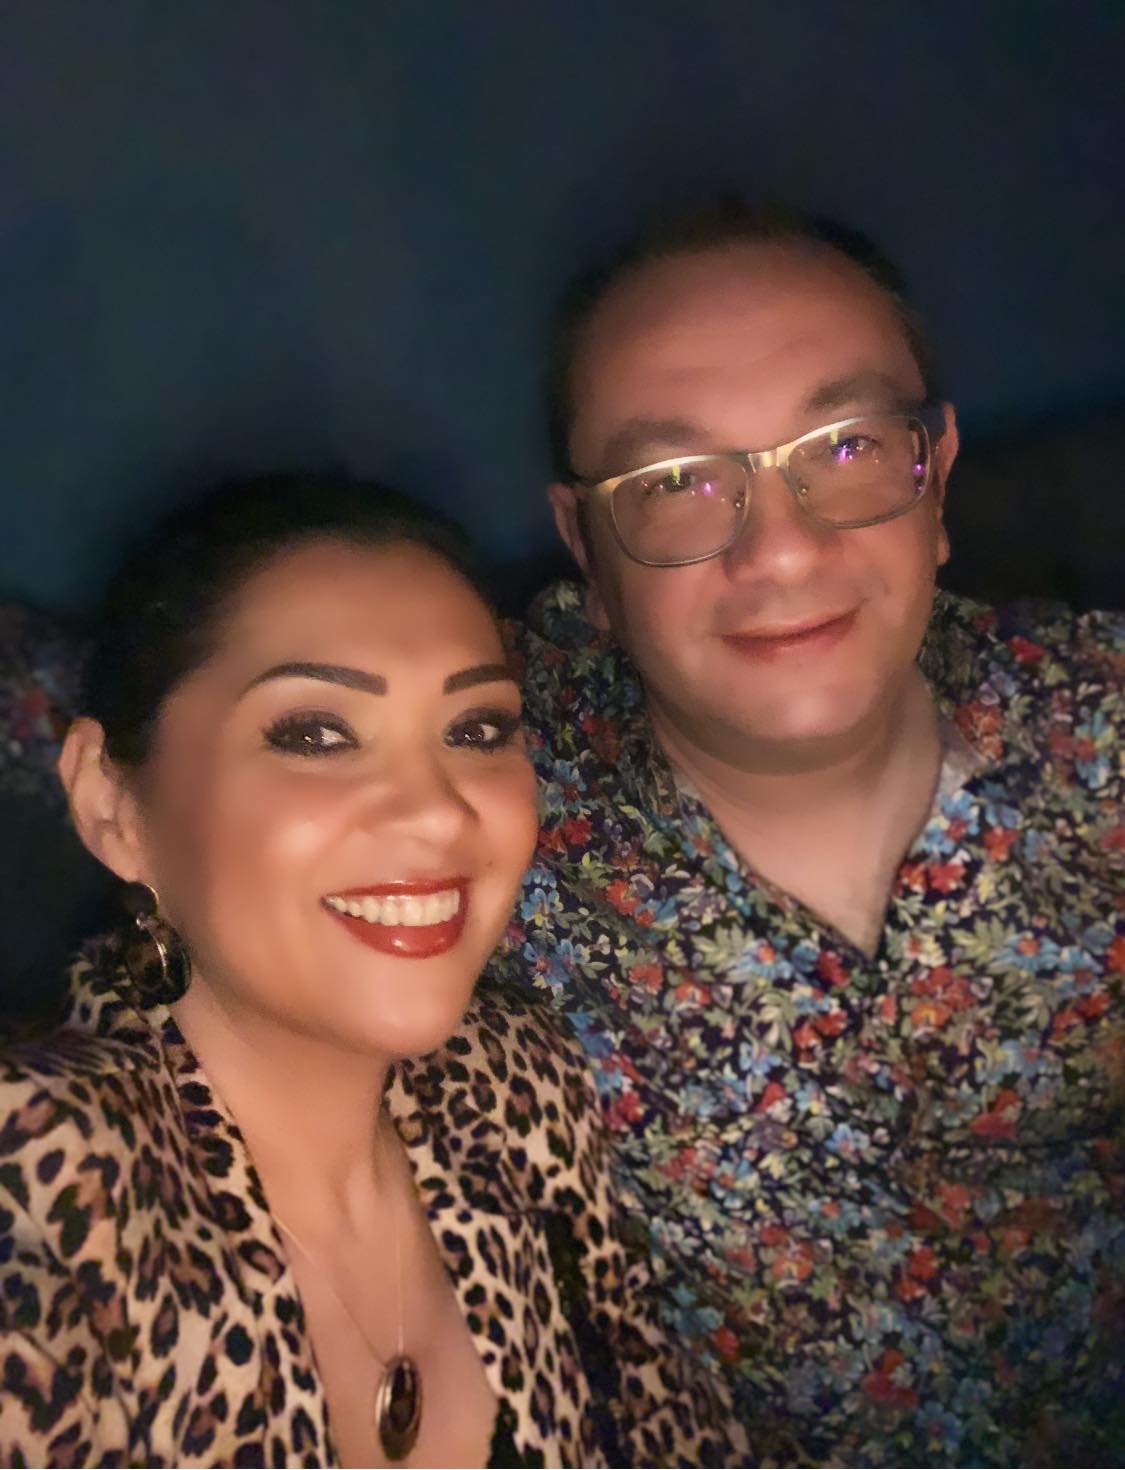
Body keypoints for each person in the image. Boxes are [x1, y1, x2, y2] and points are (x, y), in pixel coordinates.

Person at [504, 202, 1125, 1466]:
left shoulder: (1101, 731)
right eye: (676, 483)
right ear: (586, 549)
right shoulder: (477, 788)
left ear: (934, 477)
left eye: (844, 448)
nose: (781, 549)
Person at [0, 473, 742, 1469]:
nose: (435, 810)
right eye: (315, 734)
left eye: (476, 731)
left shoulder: (522, 1088)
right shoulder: (39, 1186)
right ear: (111, 805)